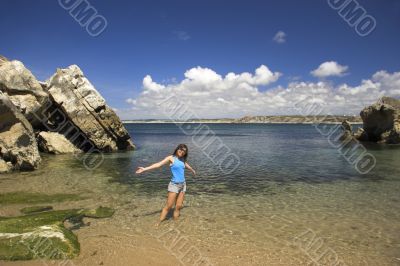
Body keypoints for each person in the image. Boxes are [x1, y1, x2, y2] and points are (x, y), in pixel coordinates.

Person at [135, 144, 196, 227]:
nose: (181, 152)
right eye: (180, 149)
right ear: (177, 149)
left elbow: (185, 165)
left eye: (184, 151)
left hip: (183, 185)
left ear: (185, 153)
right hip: (174, 185)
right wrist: (144, 169)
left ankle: (176, 223)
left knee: (178, 206)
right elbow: (158, 164)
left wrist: (192, 170)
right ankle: (159, 223)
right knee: (169, 206)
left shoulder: (182, 160)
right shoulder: (171, 158)